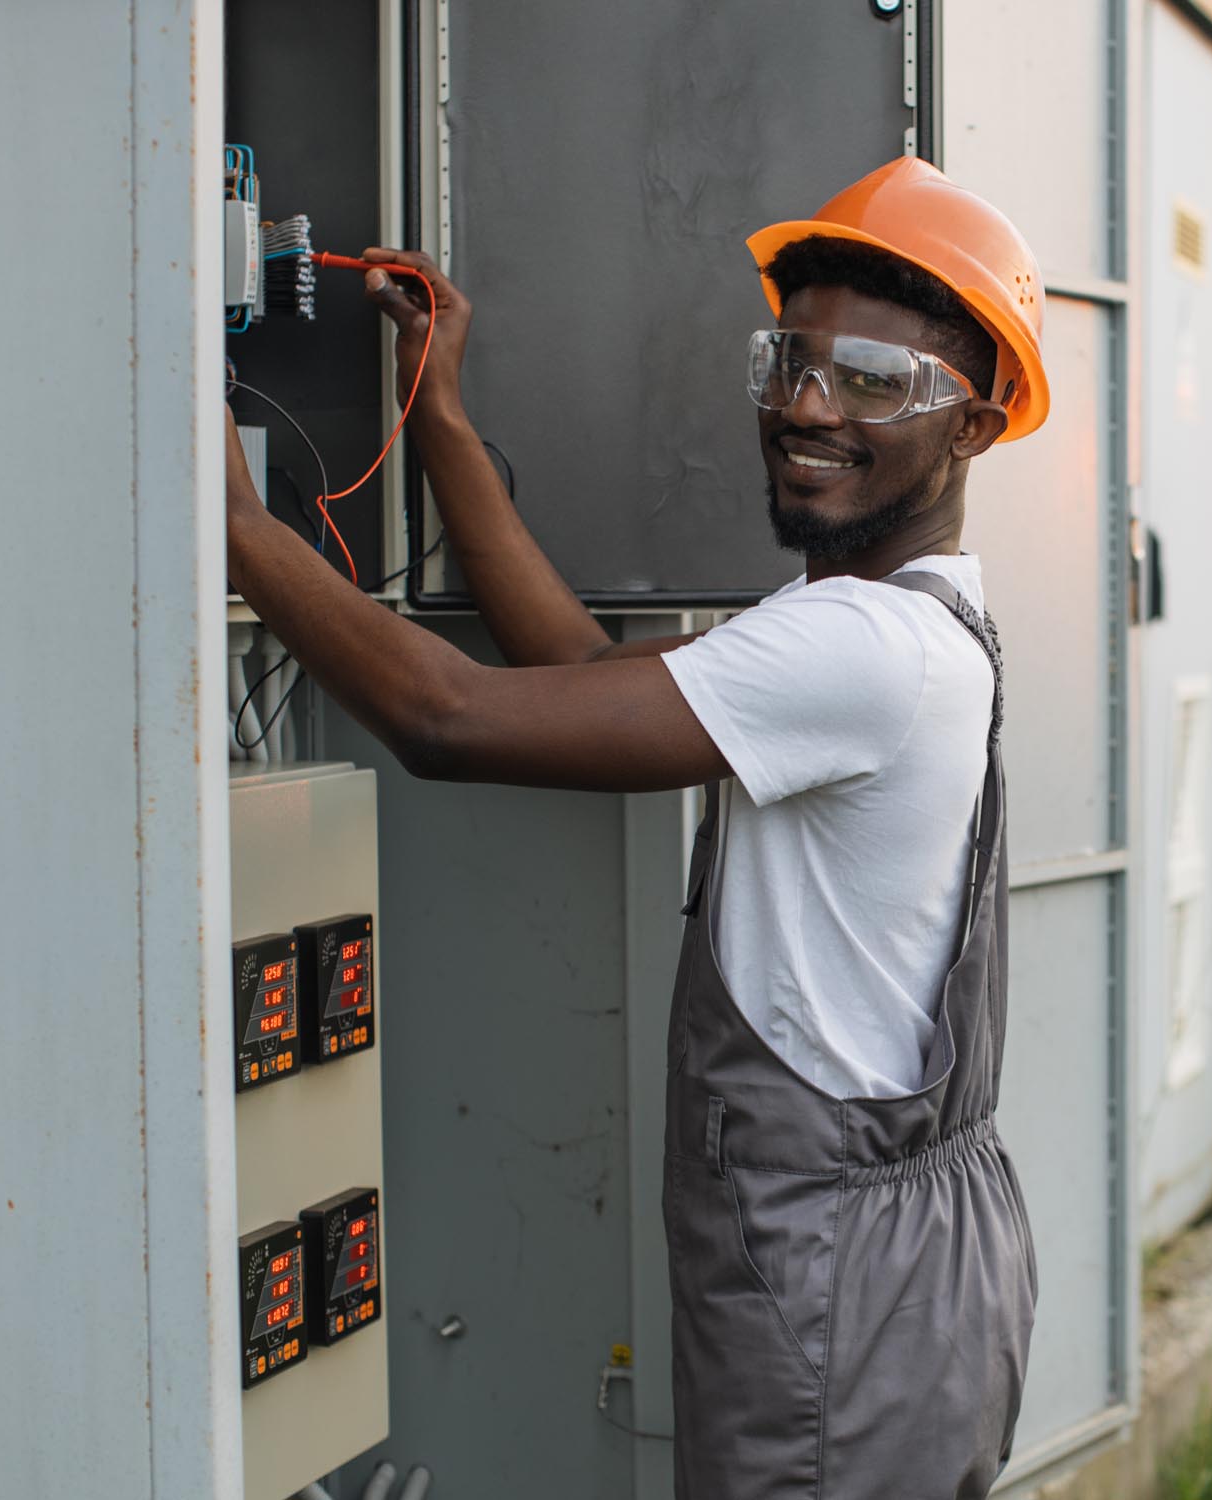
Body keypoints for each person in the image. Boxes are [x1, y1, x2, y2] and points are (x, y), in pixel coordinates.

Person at [223, 156, 1049, 1498]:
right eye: (788, 360)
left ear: (975, 423)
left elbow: (455, 724)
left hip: (839, 1277)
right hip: (902, 1265)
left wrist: (240, 531)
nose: (803, 406)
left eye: (871, 381)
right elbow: (563, 668)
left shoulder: (861, 649)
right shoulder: (894, 626)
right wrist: (434, 417)